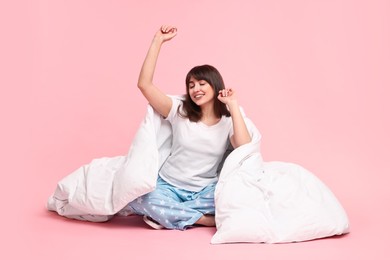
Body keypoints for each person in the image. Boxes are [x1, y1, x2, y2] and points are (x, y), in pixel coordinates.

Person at [127, 25, 252, 230]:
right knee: (139, 198)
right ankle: (202, 219)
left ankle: (171, 214)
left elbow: (245, 146)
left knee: (237, 199)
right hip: (168, 186)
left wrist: (233, 104)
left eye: (202, 83)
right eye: (191, 85)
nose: (195, 89)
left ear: (215, 85)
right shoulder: (179, 110)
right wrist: (158, 41)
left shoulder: (229, 121)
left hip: (205, 192)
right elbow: (144, 85)